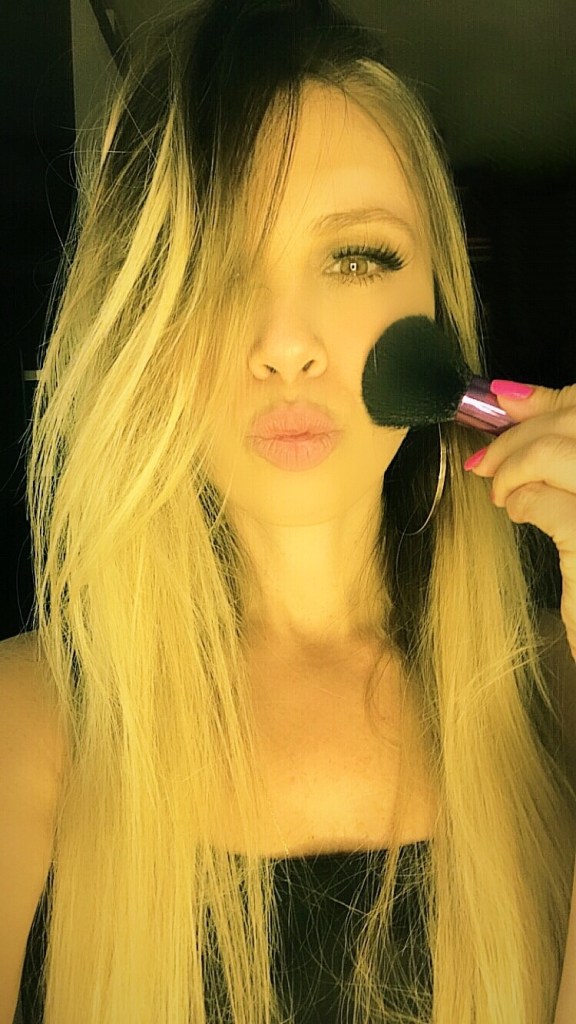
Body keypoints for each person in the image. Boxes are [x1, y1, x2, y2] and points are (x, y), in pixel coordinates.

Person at [9, 1, 576, 1022]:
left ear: (437, 308)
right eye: (214, 268)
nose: (284, 343)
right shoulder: (26, 724)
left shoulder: (558, 704)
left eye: (355, 257)